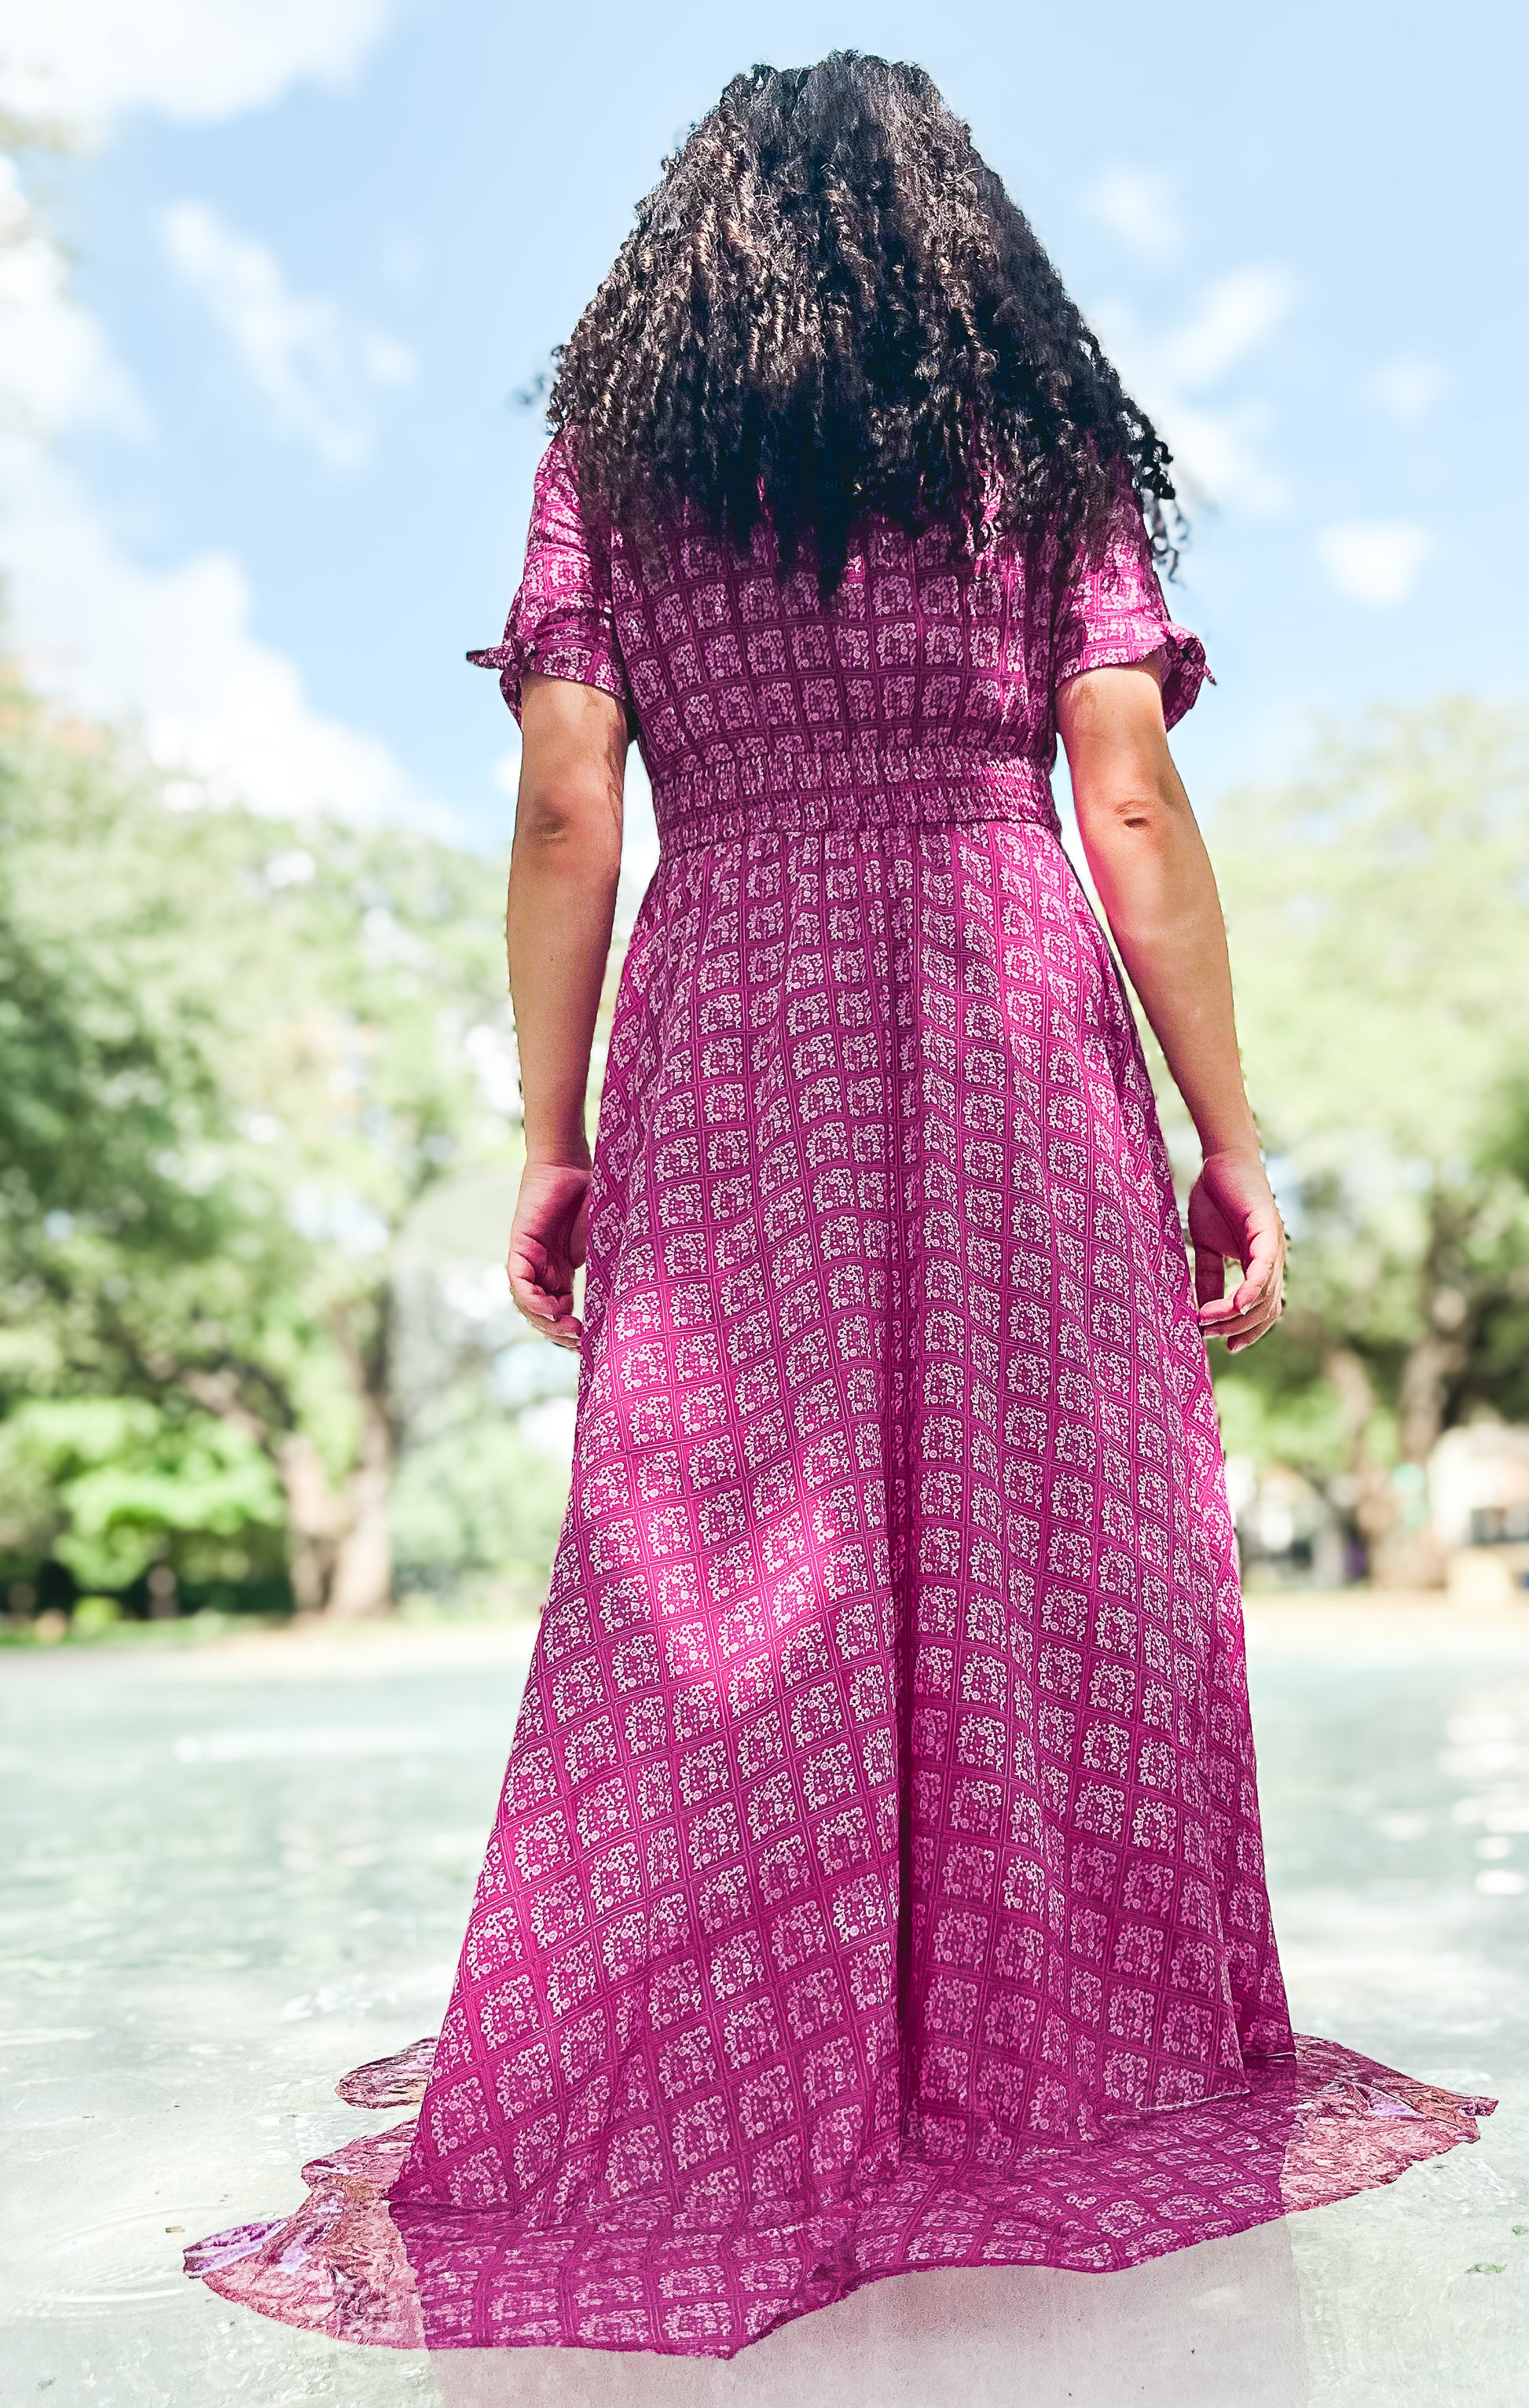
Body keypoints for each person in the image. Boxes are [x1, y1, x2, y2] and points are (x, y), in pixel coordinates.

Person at [188, 53, 1492, 2361]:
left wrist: (551, 1125)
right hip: (1005, 1020)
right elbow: (1127, 794)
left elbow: (572, 803)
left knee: (718, 1588)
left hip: (738, 1025)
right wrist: (1225, 1129)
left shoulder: (614, 462)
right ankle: (1032, 2055)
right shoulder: (1039, 455)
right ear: (967, 250)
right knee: (1040, 1541)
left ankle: (740, 2068)